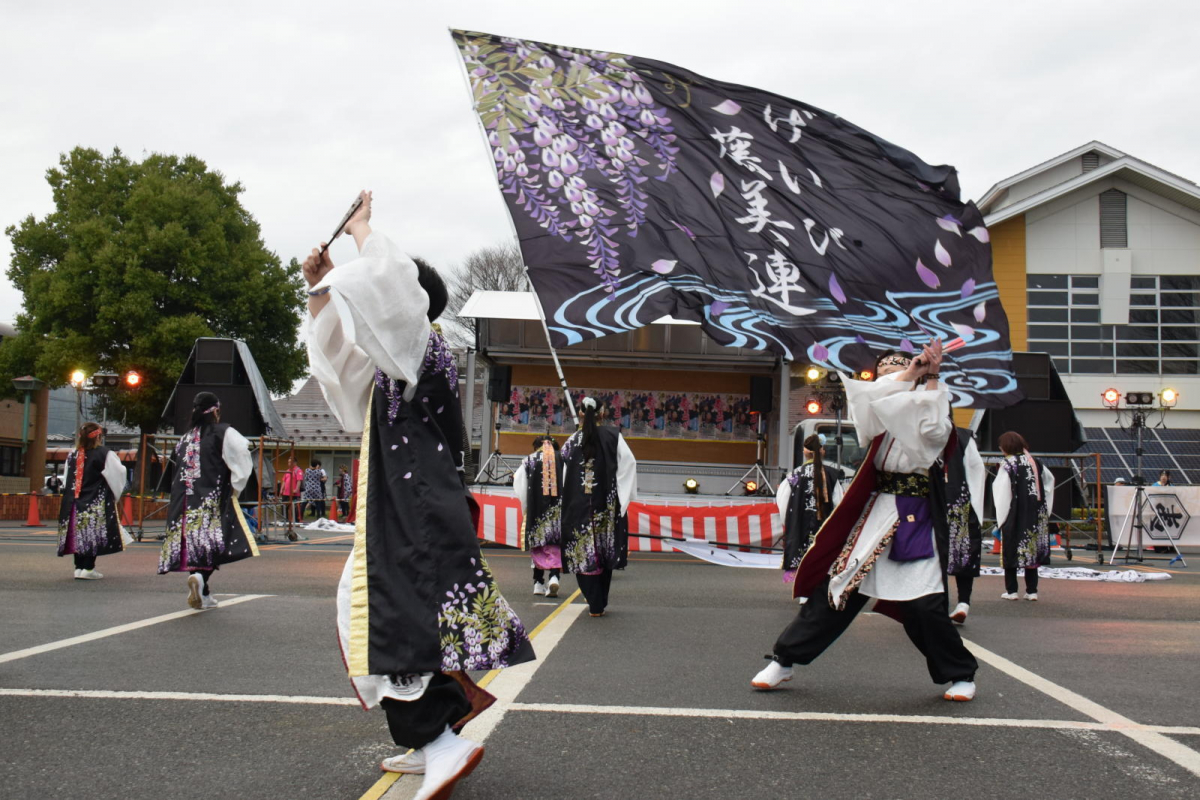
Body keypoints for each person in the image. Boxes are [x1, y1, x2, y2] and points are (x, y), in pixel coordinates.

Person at [305, 190, 533, 800]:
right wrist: (324, 291)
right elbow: (340, 380)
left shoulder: (420, 346)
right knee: (390, 615)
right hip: (410, 507)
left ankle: (438, 741)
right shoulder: (398, 363)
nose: (366, 315)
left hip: (414, 511)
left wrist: (361, 231)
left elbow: (394, 292)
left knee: (381, 618)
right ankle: (432, 734)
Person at [751, 343, 980, 702]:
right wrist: (909, 372)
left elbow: (934, 435)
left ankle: (960, 673)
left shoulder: (932, 405)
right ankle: (785, 659)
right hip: (877, 512)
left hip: (917, 514)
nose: (892, 382)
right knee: (838, 589)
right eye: (885, 377)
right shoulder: (878, 415)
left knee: (923, 607)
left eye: (900, 375)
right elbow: (870, 404)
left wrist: (930, 376)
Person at [159, 391, 258, 609]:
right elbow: (242, 454)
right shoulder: (224, 432)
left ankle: (202, 589)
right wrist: (237, 485)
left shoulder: (186, 437)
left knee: (194, 544)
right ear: (215, 410)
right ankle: (202, 582)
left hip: (183, 500)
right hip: (211, 497)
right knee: (214, 543)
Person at [559, 397, 638, 617]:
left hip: (578, 507)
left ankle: (595, 602)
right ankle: (599, 600)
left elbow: (564, 473)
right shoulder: (614, 436)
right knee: (605, 551)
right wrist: (622, 497)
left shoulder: (572, 440)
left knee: (583, 553)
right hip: (607, 505)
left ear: (581, 414)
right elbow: (629, 464)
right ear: (603, 413)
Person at [57, 422, 127, 580]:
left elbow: (68, 478)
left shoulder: (73, 454)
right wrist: (115, 494)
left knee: (77, 533)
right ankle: (88, 568)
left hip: (73, 502)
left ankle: (79, 567)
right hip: (94, 499)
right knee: (91, 533)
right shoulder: (104, 453)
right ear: (98, 437)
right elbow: (119, 472)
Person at [993, 431, 1055, 601]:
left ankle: (1012, 591)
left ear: (1006, 447)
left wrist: (1002, 517)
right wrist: (1044, 508)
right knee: (1031, 551)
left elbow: (1002, 491)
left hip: (1015, 513)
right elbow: (1050, 481)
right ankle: (1032, 591)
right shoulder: (1035, 462)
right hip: (1035, 512)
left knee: (1011, 550)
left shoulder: (1008, 464)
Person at [776, 433, 843, 585]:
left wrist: (789, 522)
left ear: (804, 452)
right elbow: (838, 502)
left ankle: (803, 592)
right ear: (822, 451)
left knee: (802, 555)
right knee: (821, 556)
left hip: (799, 525)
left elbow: (783, 502)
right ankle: (818, 591)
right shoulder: (832, 474)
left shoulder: (794, 475)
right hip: (824, 525)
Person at [945, 425, 986, 623]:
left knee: (930, 557)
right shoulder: (962, 436)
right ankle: (963, 602)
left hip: (929, 502)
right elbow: (976, 468)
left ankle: (934, 604)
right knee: (962, 553)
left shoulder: (918, 430)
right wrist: (975, 504)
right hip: (960, 502)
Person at [512, 435, 562, 597]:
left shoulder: (529, 460)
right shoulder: (561, 459)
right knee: (555, 545)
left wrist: (526, 506)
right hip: (557, 510)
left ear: (536, 447)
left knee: (537, 545)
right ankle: (554, 577)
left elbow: (520, 485)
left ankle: (538, 583)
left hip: (536, 509)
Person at [280, 456, 304, 525]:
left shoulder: (298, 470)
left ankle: (296, 519)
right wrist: (281, 489)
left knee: (294, 507)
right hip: (285, 492)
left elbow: (299, 480)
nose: (289, 463)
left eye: (290, 462)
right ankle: (285, 519)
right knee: (284, 506)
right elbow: (284, 481)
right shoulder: (287, 471)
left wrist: (296, 489)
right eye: (288, 462)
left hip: (294, 493)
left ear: (295, 463)